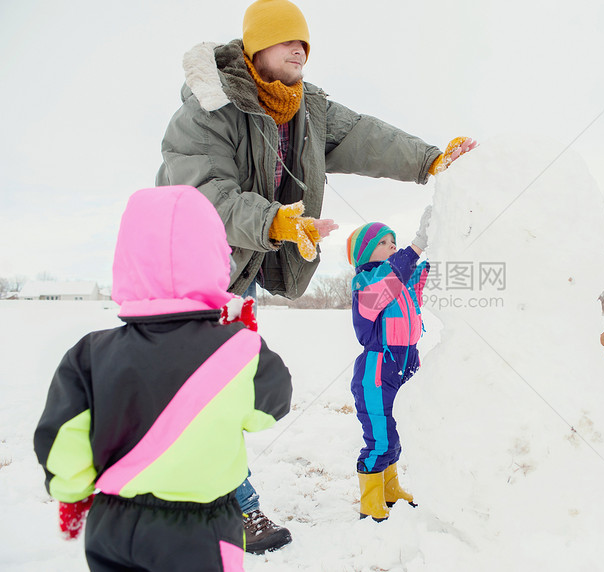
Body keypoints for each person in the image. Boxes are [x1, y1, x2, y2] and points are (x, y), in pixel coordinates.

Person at [155, 0, 476, 549]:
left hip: (238, 272)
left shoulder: (308, 110)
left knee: (221, 393)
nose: (299, 48)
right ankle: (228, 507)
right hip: (184, 273)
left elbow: (369, 138)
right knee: (198, 394)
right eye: (284, 40)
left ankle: (211, 498)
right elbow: (202, 196)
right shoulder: (209, 111)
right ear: (255, 49)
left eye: (303, 40)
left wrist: (429, 161)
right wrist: (273, 220)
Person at [33, 185, 293, 570]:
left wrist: (72, 493)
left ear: (126, 262)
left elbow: (62, 440)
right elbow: (271, 408)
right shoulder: (237, 350)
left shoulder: (89, 354)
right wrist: (248, 339)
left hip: (114, 524)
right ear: (215, 259)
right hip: (202, 529)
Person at [346, 207, 432, 521]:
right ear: (366, 252)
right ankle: (370, 501)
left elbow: (420, 276)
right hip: (377, 371)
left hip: (407, 363)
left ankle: (390, 488)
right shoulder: (367, 283)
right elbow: (393, 275)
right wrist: (417, 244)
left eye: (393, 242)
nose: (392, 245)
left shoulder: (400, 281)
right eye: (384, 242)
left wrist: (444, 239)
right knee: (380, 436)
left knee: (398, 431)